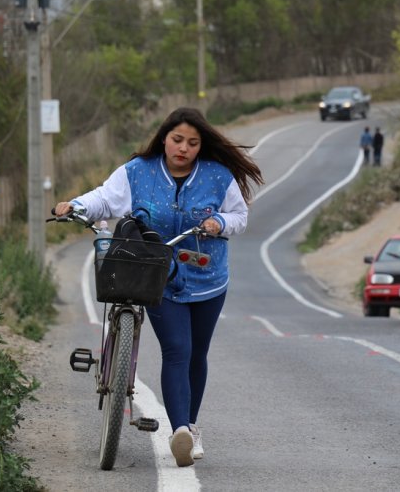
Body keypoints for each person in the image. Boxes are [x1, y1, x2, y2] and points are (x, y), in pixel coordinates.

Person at [54, 107, 263, 467]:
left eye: (193, 143)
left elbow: (240, 216)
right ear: (164, 138)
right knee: (177, 350)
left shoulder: (218, 176)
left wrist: (219, 222)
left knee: (198, 353)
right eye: (178, 140)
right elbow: (105, 198)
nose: (183, 148)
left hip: (209, 278)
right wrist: (75, 205)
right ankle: (179, 430)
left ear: (201, 146)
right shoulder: (138, 171)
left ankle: (192, 427)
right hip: (157, 274)